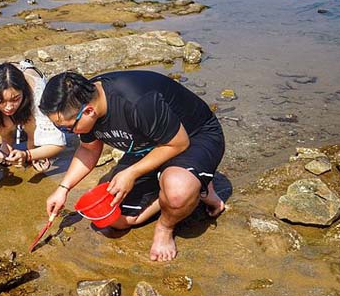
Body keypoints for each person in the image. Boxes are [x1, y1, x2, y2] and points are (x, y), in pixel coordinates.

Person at [39, 70, 225, 261]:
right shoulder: (83, 102)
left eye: (66, 128)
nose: (67, 132)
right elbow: (88, 149)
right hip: (149, 146)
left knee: (178, 192)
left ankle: (167, 225)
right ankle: (198, 186)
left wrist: (132, 172)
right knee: (117, 217)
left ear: (88, 111)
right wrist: (63, 188)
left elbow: (179, 143)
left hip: (192, 137)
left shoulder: (136, 101)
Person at [0, 60, 66, 170]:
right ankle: (6, 143)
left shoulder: (38, 93)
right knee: (1, 120)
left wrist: (28, 154)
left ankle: (33, 145)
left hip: (31, 99)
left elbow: (58, 143)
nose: (8, 107)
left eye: (15, 99)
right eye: (1, 101)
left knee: (31, 122)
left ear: (23, 92)